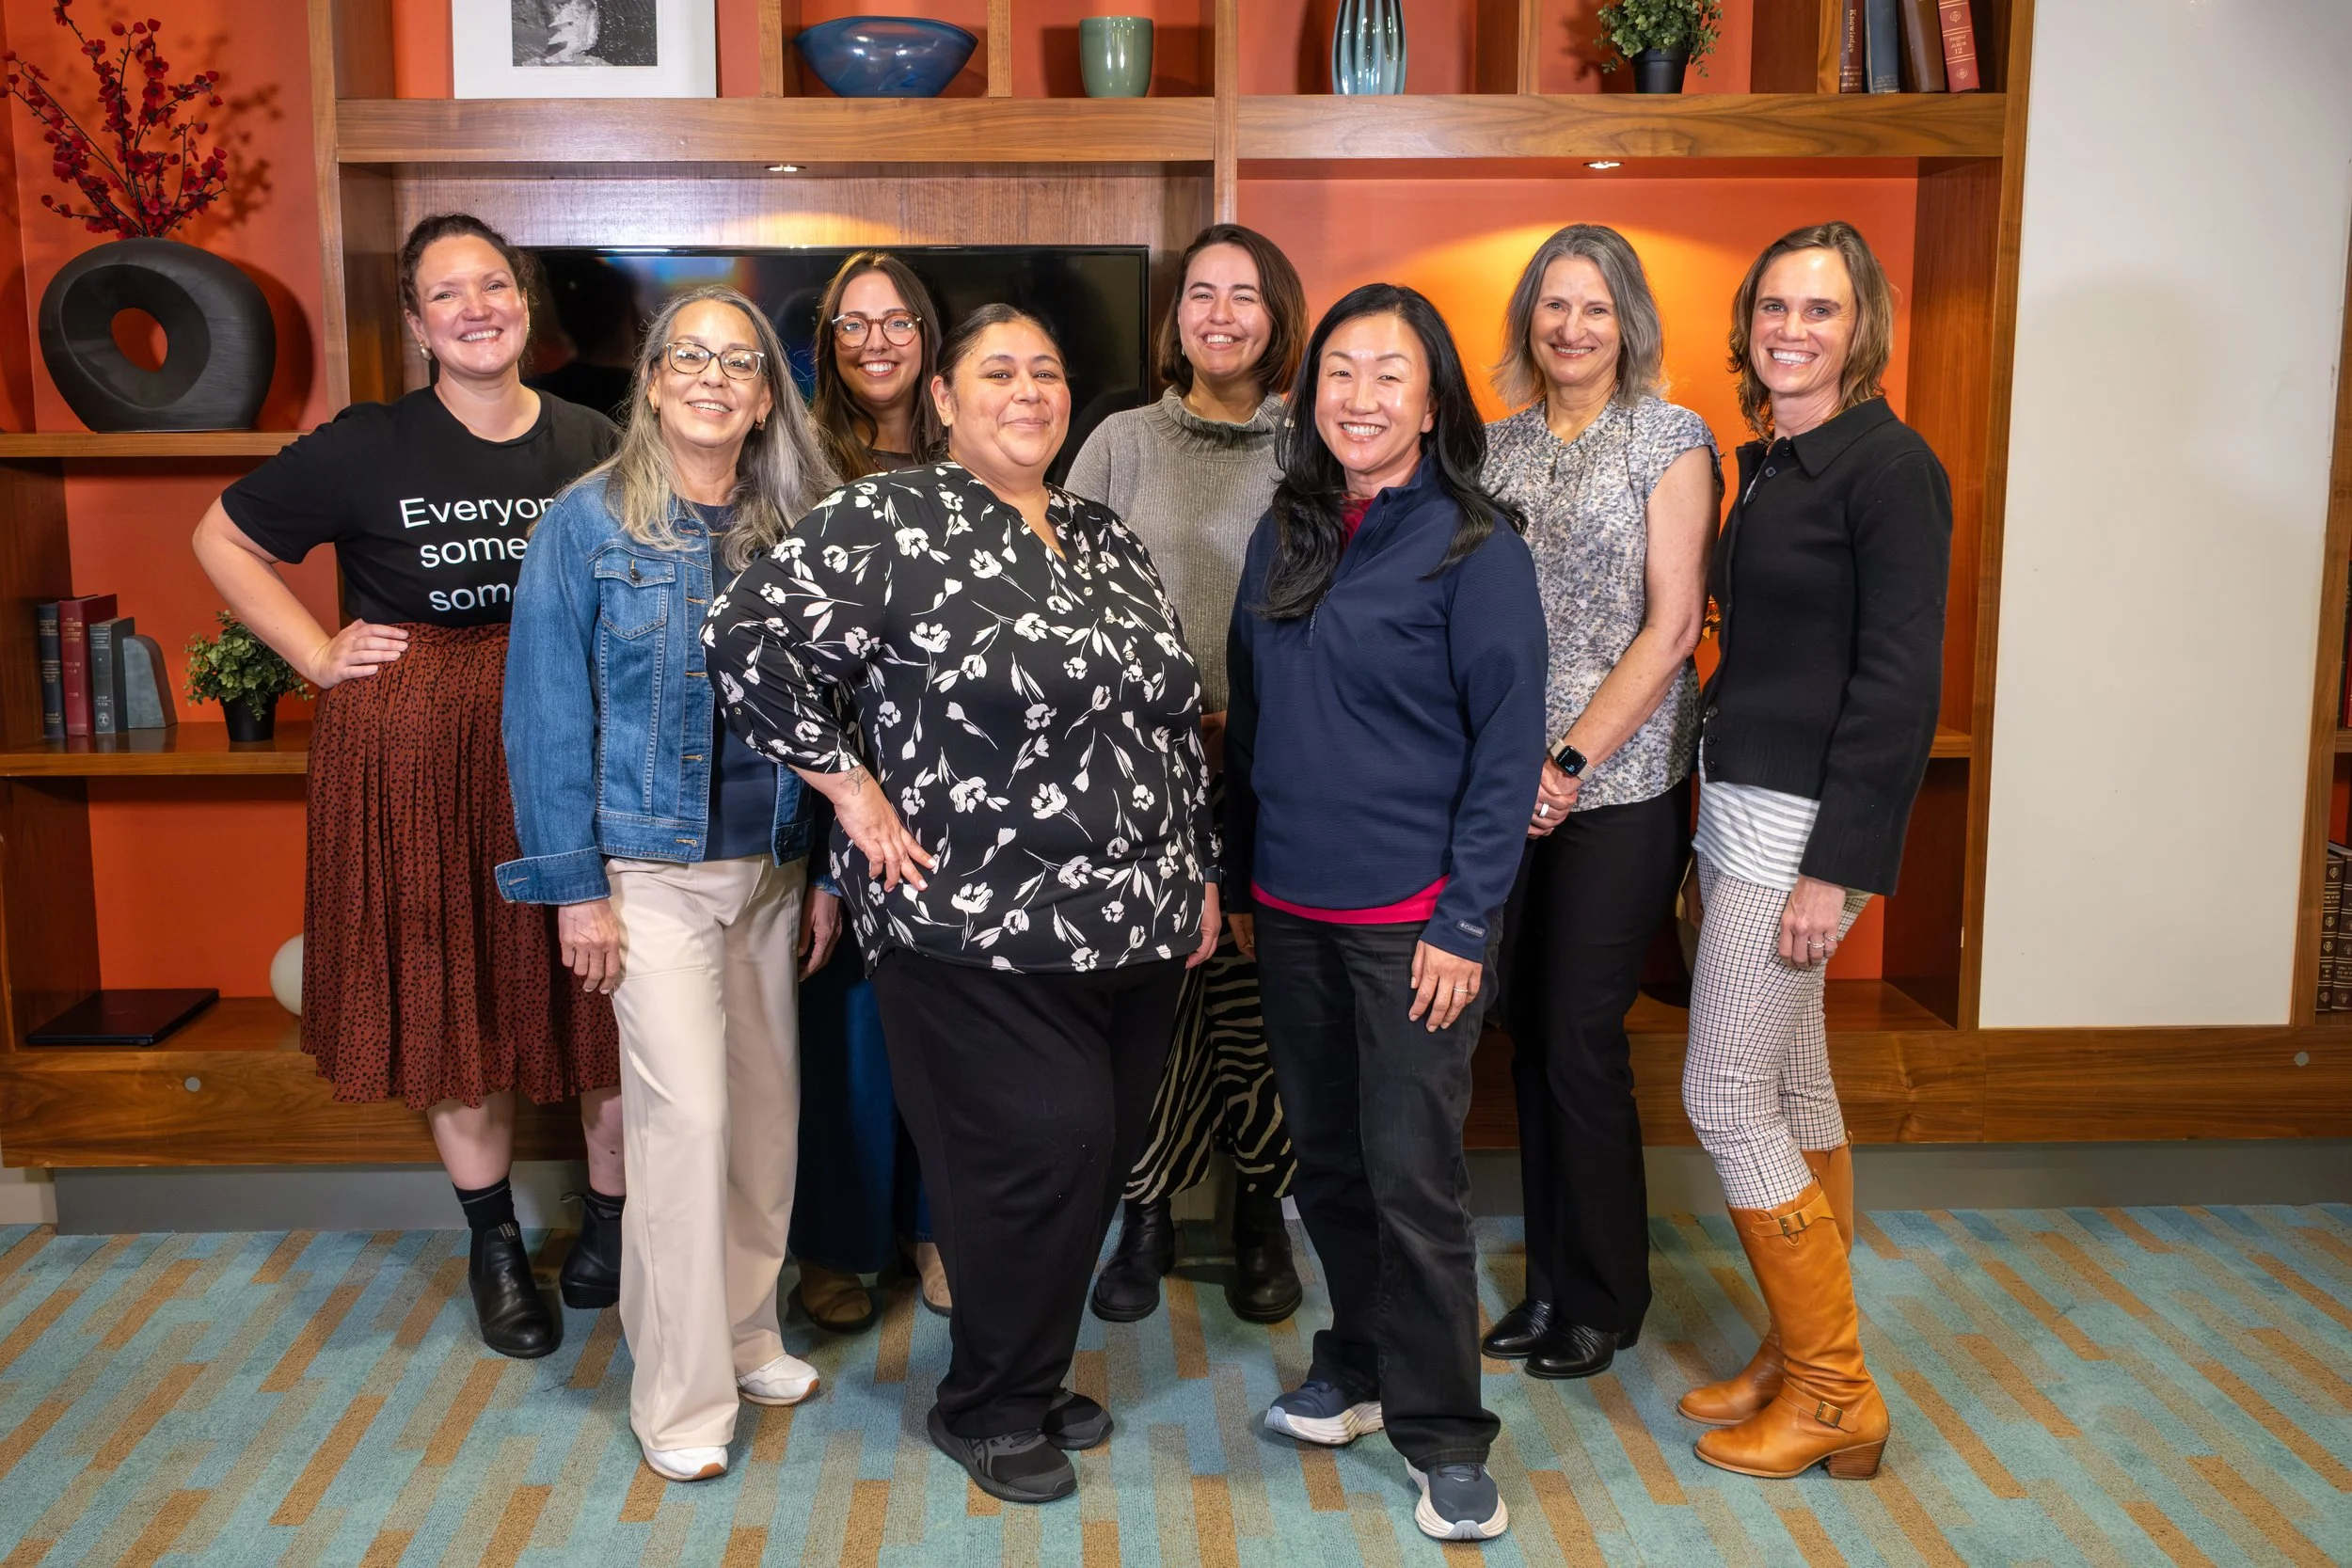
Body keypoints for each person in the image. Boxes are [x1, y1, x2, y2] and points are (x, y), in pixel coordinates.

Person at [707, 305, 1221, 1507]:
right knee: (1032, 1158)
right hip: (969, 919)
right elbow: (743, 641)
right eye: (998, 371)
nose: (1028, 390)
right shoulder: (890, 519)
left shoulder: (1101, 533)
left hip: (1138, 916)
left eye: (1047, 369)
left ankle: (1027, 1374)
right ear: (943, 398)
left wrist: (1197, 868)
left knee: (1091, 1160)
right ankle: (984, 1403)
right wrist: (850, 789)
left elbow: (1166, 721)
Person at [191, 213, 623, 1363]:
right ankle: (494, 1244)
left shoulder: (593, 436)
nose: (477, 308)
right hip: (415, 761)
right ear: (418, 324)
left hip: (562, 740)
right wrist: (314, 651)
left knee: (601, 987)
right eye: (448, 293)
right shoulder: (368, 443)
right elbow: (220, 537)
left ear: (524, 303)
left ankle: (612, 1226)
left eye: (494, 285)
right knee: (451, 987)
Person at [499, 285, 842, 1483]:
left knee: (763, 1118)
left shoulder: (797, 524)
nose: (711, 377)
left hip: (774, 866)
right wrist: (574, 889)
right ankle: (681, 1396)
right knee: (683, 1124)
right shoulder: (585, 524)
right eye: (687, 356)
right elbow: (546, 716)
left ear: (765, 398)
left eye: (738, 362)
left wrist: (828, 871)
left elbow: (840, 710)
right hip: (647, 874)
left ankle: (746, 1332)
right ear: (650, 382)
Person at [1226, 284, 1545, 1544]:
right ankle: (1356, 1363)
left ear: (1431, 400)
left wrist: (1465, 921)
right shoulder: (1285, 529)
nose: (1360, 396)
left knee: (1416, 1179)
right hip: (1289, 906)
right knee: (1329, 1160)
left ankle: (1448, 1433)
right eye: (1340, 372)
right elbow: (1252, 721)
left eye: (1389, 374)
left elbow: (1507, 749)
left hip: (1414, 922)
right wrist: (1240, 878)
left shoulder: (1476, 545)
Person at [1675, 222, 1950, 1481]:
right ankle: (1800, 1354)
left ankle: (1836, 1390)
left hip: (1801, 829)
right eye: (1774, 306)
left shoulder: (1890, 467)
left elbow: (1897, 685)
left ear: (1861, 327)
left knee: (1724, 1096)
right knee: (1796, 1092)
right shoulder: (1778, 460)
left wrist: (1836, 869)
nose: (1792, 328)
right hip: (1742, 800)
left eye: (1820, 309)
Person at [1479, 226, 1719, 1380]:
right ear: (1528, 318)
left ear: (1629, 324)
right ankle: (1548, 1282)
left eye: (1595, 308)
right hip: (1502, 787)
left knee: (1579, 1034)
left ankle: (1606, 1295)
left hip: (1615, 785)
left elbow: (1671, 629)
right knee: (1525, 1033)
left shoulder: (1669, 439)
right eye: (1554, 305)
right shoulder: (1494, 449)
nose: (1572, 328)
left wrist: (1567, 761)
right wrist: (1508, 769)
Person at [1066, 223, 1309, 1327]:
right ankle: (1147, 1212)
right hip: (1139, 767)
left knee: (1261, 998)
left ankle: (1261, 1212)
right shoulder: (1118, 441)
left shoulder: (1312, 443)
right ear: (1176, 318)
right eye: (1200, 293)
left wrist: (1248, 728)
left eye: (1243, 294)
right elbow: (1062, 596)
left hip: (1275, 766)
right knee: (1148, 1002)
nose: (1220, 314)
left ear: (1278, 315)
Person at [790, 251, 956, 1332]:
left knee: (948, 1021)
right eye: (852, 323)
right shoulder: (798, 463)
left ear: (928, 338)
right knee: (845, 1022)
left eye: (896, 320)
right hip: (835, 780)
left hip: (954, 781)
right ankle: (837, 1239)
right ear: (827, 344)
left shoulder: (973, 455)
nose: (876, 340)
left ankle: (937, 1224)